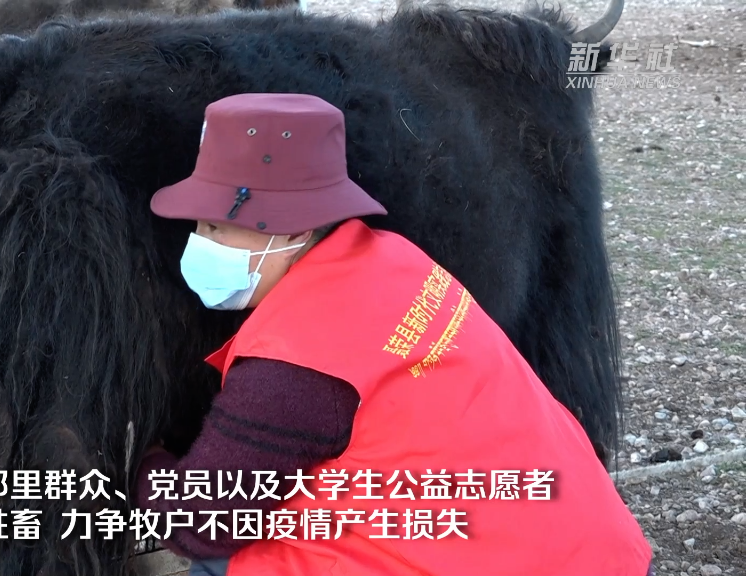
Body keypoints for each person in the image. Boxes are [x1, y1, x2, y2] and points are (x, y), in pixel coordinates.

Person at [135, 92, 655, 576]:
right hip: (595, 549)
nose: (200, 243)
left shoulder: (298, 360)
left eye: (215, 226)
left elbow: (200, 524)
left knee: (222, 562)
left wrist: (143, 461)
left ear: (292, 228)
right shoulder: (398, 264)